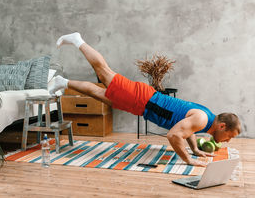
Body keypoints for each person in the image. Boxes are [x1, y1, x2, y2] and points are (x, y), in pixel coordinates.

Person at [49, 32, 241, 167]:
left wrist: (195, 150)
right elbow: (174, 135)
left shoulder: (205, 119)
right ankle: (77, 40)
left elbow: (187, 131)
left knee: (100, 95)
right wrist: (188, 160)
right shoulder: (202, 119)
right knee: (104, 73)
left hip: (141, 104)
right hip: (142, 98)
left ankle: (62, 82)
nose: (227, 141)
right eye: (229, 137)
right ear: (222, 126)